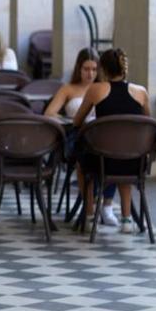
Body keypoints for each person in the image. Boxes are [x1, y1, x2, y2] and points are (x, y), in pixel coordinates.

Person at [73, 48, 151, 234]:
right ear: (124, 68)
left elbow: (77, 121)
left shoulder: (96, 90)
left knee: (82, 162)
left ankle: (90, 215)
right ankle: (126, 219)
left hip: (103, 161)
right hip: (135, 161)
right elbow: (148, 123)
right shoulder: (141, 92)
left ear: (103, 70)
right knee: (125, 155)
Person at [44, 48, 121, 226]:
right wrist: (71, 119)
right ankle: (89, 208)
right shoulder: (68, 89)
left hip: (103, 135)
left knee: (115, 154)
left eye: (94, 69)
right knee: (86, 160)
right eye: (86, 69)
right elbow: (49, 113)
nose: (90, 73)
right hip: (77, 135)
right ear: (79, 68)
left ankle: (107, 205)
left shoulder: (104, 88)